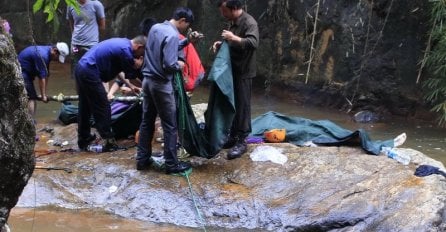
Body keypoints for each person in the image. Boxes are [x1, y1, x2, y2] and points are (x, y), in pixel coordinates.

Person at [136, 7, 198, 174]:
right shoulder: (172, 35)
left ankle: (142, 159)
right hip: (161, 84)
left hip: (147, 81)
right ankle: (171, 164)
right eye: (187, 25)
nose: (186, 28)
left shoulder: (156, 28)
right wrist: (180, 65)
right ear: (182, 20)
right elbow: (169, 65)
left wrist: (187, 42)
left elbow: (165, 46)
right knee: (170, 125)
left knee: (146, 121)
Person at [75, 36, 146, 152]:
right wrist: (146, 83)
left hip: (81, 68)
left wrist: (132, 87)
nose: (139, 56)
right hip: (90, 71)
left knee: (85, 106)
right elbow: (132, 76)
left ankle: (84, 139)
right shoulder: (126, 52)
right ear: (139, 47)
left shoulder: (122, 44)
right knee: (103, 106)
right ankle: (108, 140)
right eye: (141, 53)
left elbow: (119, 73)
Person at [213, 0, 259, 160]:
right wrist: (222, 44)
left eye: (224, 11)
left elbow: (253, 43)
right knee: (232, 103)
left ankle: (242, 141)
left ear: (233, 9)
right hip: (232, 70)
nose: (222, 14)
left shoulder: (249, 22)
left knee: (243, 105)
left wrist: (233, 38)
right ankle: (232, 136)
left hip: (244, 71)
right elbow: (233, 43)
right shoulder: (232, 22)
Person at [18, 42, 70, 119]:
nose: (57, 59)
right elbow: (41, 78)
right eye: (57, 56)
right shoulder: (43, 56)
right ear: (55, 51)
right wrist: (43, 96)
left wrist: (44, 94)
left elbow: (46, 75)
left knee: (31, 97)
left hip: (26, 73)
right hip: (21, 73)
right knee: (31, 98)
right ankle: (30, 123)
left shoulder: (47, 51)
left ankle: (30, 120)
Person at [66, 0, 106, 86]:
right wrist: (75, 37)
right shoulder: (71, 4)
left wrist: (93, 37)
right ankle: (81, 95)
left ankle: (97, 94)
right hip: (76, 45)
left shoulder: (96, 4)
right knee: (76, 70)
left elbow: (102, 26)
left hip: (91, 45)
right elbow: (71, 23)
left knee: (95, 69)